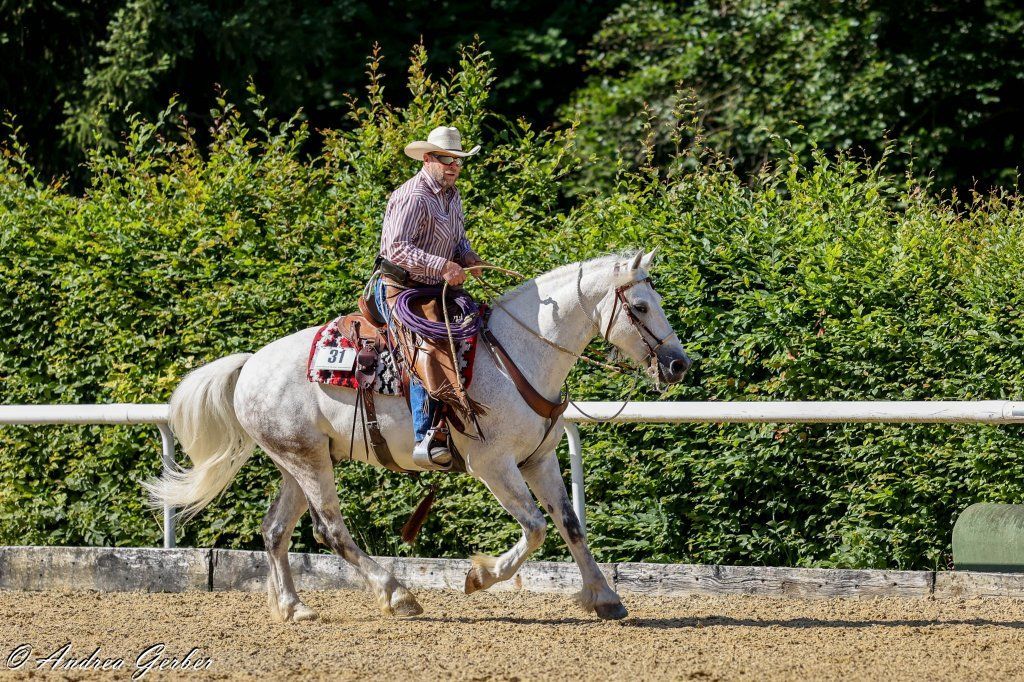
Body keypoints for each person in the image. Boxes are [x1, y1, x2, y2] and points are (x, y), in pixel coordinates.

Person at [375, 125, 486, 469]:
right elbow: (396, 248)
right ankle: (426, 435)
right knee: (429, 340)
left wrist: (468, 257)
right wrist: (443, 265)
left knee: (480, 326)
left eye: (459, 161)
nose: (454, 166)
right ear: (428, 158)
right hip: (401, 288)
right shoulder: (412, 195)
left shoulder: (453, 196)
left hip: (435, 288)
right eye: (446, 159)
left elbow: (459, 242)